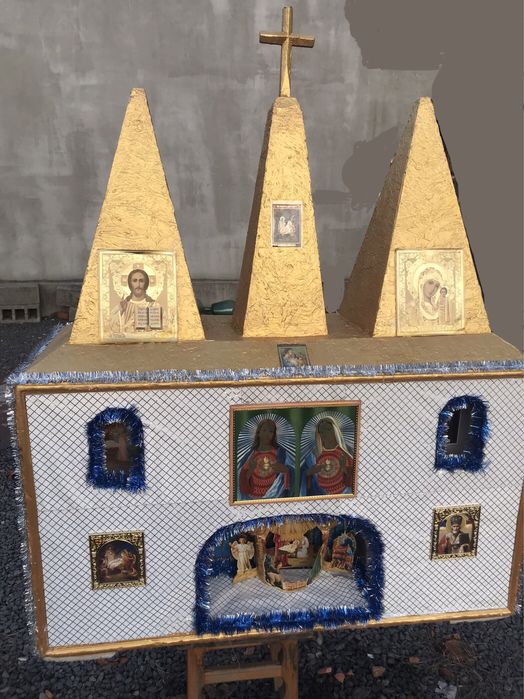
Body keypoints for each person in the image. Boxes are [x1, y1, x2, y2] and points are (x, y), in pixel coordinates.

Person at [238, 419, 292, 500]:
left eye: (271, 431)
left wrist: (286, 470)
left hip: (275, 496)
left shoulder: (280, 452)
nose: (267, 434)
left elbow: (290, 472)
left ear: (274, 434)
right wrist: (250, 470)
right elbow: (242, 480)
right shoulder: (251, 454)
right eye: (264, 430)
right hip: (252, 498)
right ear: (258, 432)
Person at [301, 417, 354, 496]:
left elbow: (352, 482)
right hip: (318, 496)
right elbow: (306, 479)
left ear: (335, 431)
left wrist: (343, 468)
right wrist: (310, 472)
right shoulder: (314, 454)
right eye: (321, 432)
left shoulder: (346, 454)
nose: (325, 434)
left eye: (328, 430)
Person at [109, 268, 160, 335]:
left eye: (141, 281)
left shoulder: (154, 306)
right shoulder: (122, 306)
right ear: (130, 283)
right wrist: (121, 312)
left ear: (146, 283)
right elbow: (111, 329)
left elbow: (163, 332)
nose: (138, 285)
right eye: (134, 281)